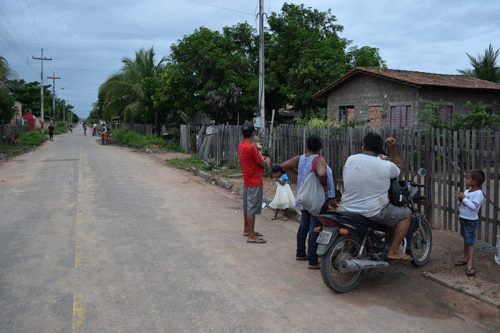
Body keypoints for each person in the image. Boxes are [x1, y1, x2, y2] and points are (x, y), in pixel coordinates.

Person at [341, 132, 412, 262]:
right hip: (372, 211)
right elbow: (399, 169)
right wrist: (393, 148)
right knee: (407, 213)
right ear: (380, 150)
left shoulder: (350, 159)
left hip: (346, 208)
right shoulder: (385, 165)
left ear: (363, 147)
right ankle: (394, 251)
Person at [281, 135, 336, 269]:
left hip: (304, 197)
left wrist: (298, 173)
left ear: (307, 146)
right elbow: (322, 174)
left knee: (304, 226)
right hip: (316, 199)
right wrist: (324, 185)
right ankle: (312, 260)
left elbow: (284, 165)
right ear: (321, 146)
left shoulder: (301, 159)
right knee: (315, 228)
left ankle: (300, 253)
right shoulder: (319, 159)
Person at [238, 122, 270, 244]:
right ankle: (251, 235)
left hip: (247, 180)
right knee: (252, 208)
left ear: (242, 133)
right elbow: (262, 164)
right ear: (253, 134)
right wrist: (267, 160)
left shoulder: (241, 145)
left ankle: (247, 229)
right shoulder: (252, 148)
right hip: (255, 181)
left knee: (247, 207)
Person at [454, 170, 485, 277]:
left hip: (471, 221)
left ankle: (470, 265)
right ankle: (465, 258)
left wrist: (463, 199)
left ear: (475, 182)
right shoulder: (467, 191)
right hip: (463, 218)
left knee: (470, 243)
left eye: (468, 179)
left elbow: (474, 207)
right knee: (466, 240)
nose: (466, 180)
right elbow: (461, 205)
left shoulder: (479, 193)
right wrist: (459, 199)